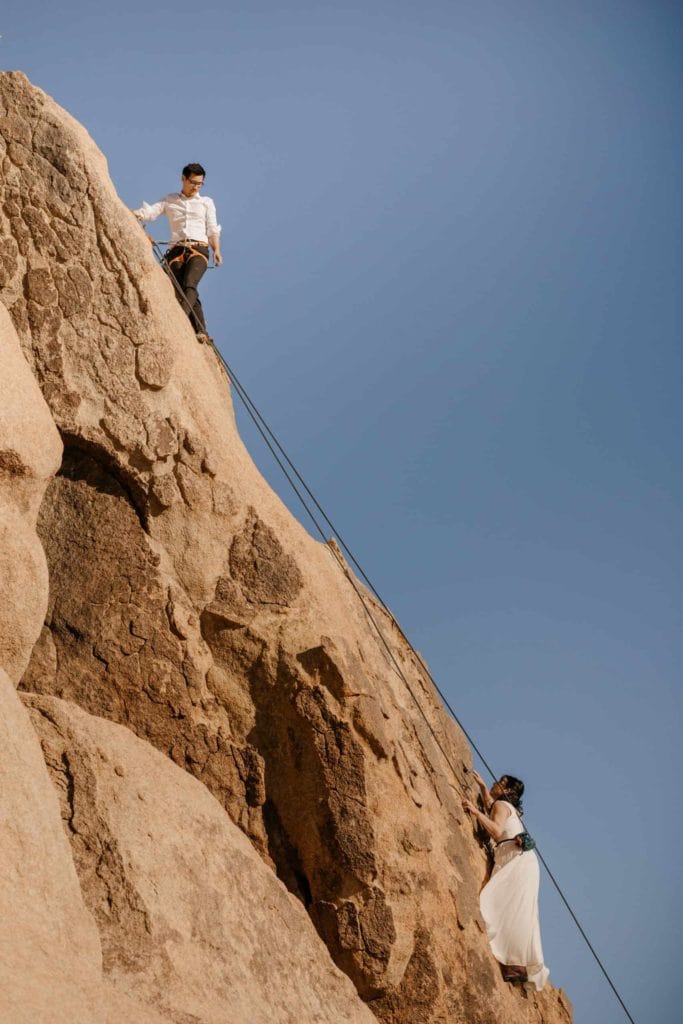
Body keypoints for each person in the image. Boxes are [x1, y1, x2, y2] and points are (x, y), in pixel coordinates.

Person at [462, 771, 549, 990]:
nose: (495, 784)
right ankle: (517, 964)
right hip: (521, 860)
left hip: (516, 861)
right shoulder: (506, 808)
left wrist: (474, 812)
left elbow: (496, 829)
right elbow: (494, 810)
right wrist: (482, 787)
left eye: (500, 783)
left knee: (505, 905)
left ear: (508, 791)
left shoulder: (502, 806)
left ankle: (515, 962)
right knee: (518, 911)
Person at [132, 163, 222, 342]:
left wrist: (216, 250)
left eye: (199, 184)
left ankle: (179, 320)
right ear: (183, 179)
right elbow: (150, 212)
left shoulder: (206, 203)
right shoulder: (170, 200)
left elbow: (212, 229)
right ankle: (201, 330)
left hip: (198, 248)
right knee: (182, 289)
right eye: (192, 182)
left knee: (190, 284)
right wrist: (134, 214)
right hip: (175, 251)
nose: (196, 187)